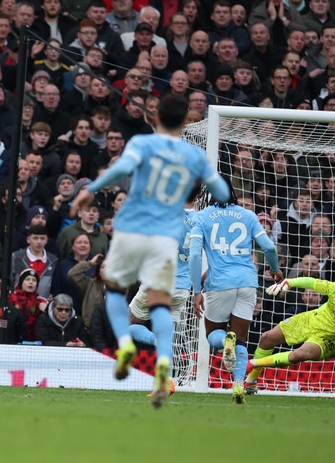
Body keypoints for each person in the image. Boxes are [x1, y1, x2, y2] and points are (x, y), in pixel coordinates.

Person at [70, 94, 229, 408]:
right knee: (160, 313)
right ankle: (164, 366)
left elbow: (120, 171)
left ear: (156, 118)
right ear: (186, 122)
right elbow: (222, 192)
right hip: (167, 251)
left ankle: (126, 343)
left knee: (114, 292)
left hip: (134, 227)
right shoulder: (192, 160)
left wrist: (89, 190)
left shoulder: (142, 144)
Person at [188, 178, 283, 404]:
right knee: (241, 338)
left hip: (220, 283)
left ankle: (225, 342)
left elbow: (193, 256)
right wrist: (275, 269)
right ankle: (238, 384)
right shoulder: (248, 215)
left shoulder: (202, 217)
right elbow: (269, 246)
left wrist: (196, 290)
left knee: (214, 335)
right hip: (248, 282)